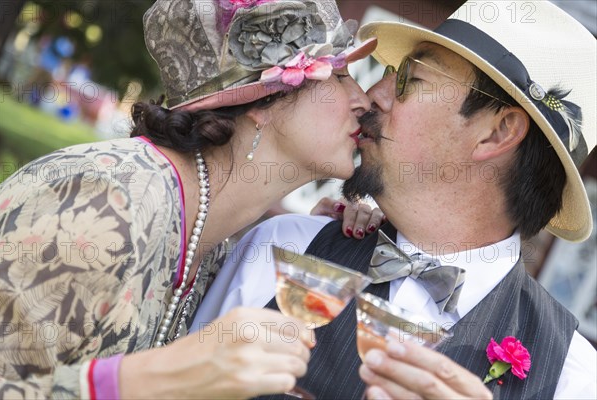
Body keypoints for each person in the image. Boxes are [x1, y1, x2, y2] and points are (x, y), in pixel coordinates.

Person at [207, 1, 597, 398]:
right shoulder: (286, 247)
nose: (373, 95)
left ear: (496, 133)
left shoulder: (572, 378)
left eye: (410, 78)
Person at [0, 0, 382, 398]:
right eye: (338, 76)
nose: (363, 100)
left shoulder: (209, 239)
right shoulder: (103, 202)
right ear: (262, 103)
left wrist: (323, 241)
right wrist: (137, 383)